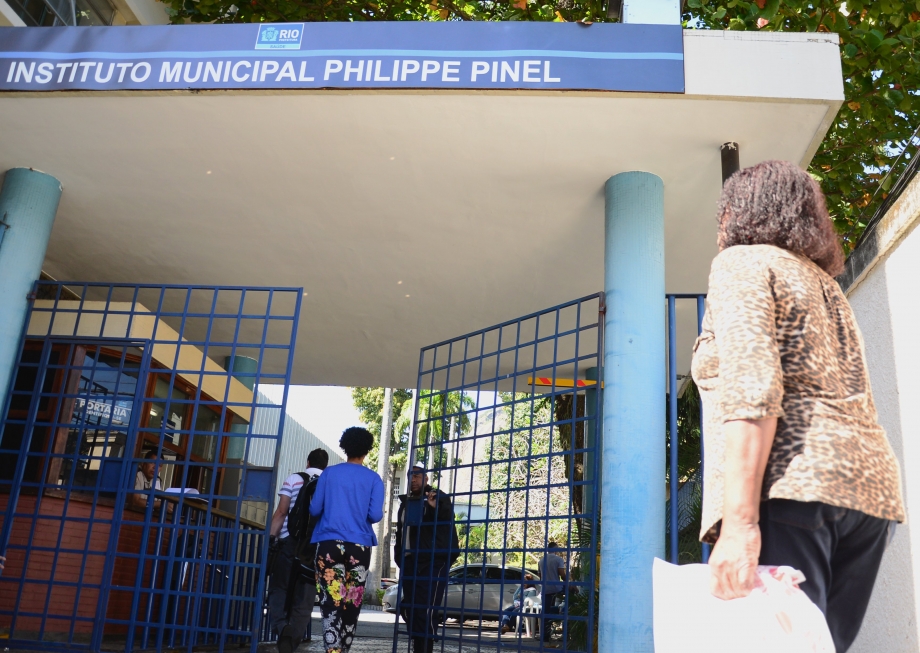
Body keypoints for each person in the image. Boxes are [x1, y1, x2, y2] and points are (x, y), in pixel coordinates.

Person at [692, 160, 905, 653]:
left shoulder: (742, 263)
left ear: (736, 214)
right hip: (870, 498)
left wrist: (740, 525)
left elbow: (753, 385)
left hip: (792, 490)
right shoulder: (824, 284)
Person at [310, 427, 384, 653]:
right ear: (367, 450)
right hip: (359, 546)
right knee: (352, 603)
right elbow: (375, 515)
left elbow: (314, 509)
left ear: (345, 446)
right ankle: (345, 649)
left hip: (329, 544)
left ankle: (333, 651)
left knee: (330, 603)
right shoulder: (373, 479)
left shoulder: (329, 474)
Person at [268, 448, 329, 653]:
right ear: (325, 465)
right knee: (304, 597)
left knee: (279, 588)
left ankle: (281, 627)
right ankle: (291, 640)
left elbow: (282, 511)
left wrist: (271, 538)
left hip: (289, 543)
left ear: (307, 462)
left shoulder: (294, 479)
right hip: (314, 548)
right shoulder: (330, 482)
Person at [394, 462, 460, 653]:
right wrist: (400, 556)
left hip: (432, 562)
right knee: (409, 607)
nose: (413, 479)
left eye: (417, 475)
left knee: (426, 610)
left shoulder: (436, 497)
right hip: (410, 562)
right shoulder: (407, 503)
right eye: (410, 476)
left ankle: (425, 647)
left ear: (426, 478)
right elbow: (400, 533)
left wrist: (432, 508)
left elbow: (445, 518)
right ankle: (419, 645)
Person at [537, 542, 566, 644]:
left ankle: (545, 635)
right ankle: (560, 629)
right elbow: (562, 574)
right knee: (558, 608)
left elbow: (540, 577)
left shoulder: (541, 561)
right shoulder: (558, 560)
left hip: (545, 589)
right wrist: (569, 583)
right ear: (556, 549)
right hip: (557, 589)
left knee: (546, 611)